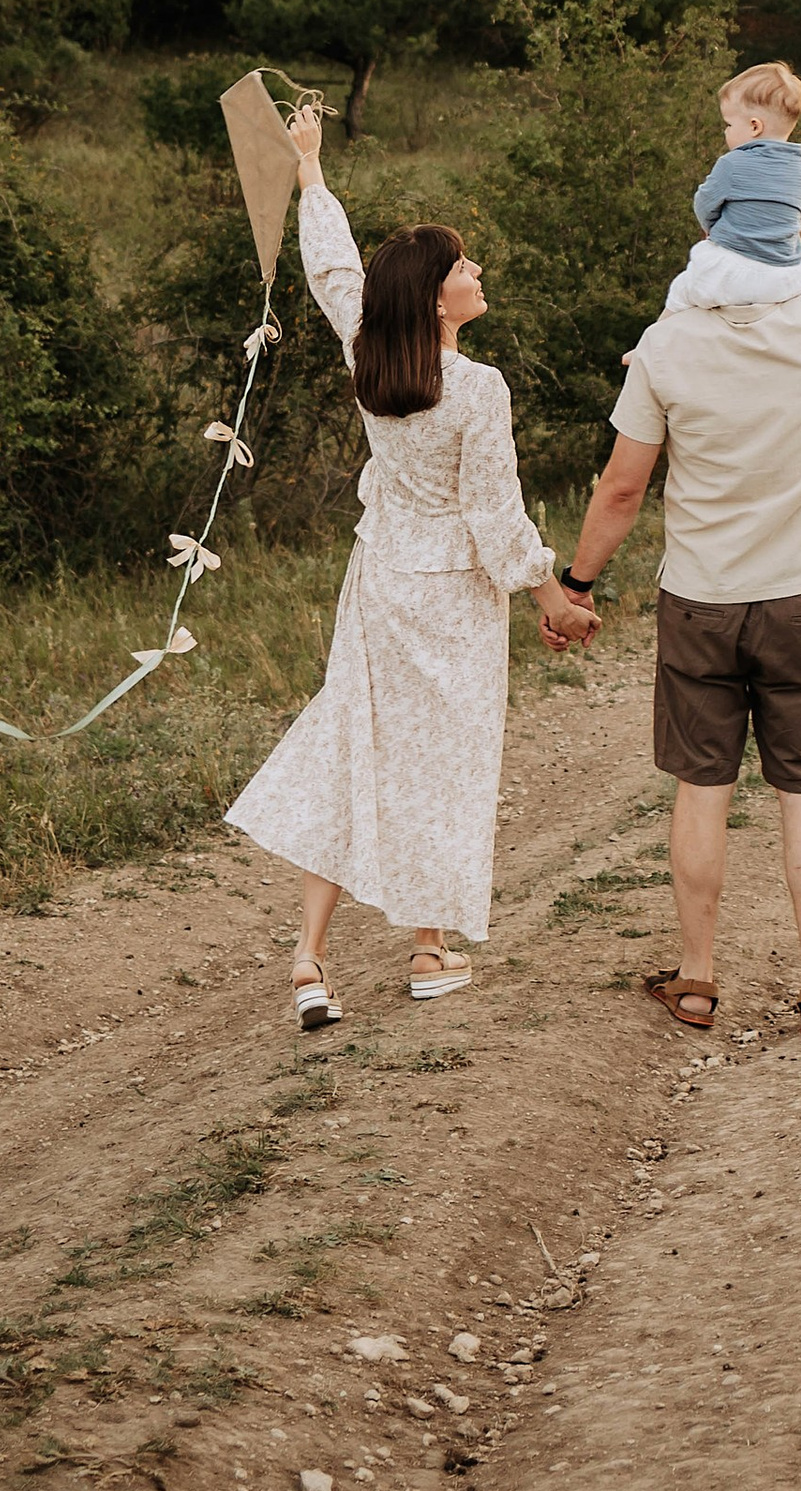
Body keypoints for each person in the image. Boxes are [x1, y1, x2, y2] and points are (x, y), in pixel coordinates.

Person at [226, 104, 595, 1026]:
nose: (475, 273)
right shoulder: (477, 389)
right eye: (463, 266)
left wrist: (313, 170)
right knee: (448, 763)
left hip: (383, 580)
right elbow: (495, 514)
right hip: (456, 597)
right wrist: (553, 593)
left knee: (359, 746)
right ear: (436, 297)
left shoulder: (370, 352)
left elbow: (334, 271)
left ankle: (309, 961)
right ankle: (429, 950)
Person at [540, 193, 801, 1039]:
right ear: (784, 234)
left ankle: (698, 981)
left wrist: (577, 586)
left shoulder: (667, 344)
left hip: (701, 598)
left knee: (701, 788)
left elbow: (623, 487)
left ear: (708, 234)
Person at [656, 61, 801, 314]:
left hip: (733, 271)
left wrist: (712, 228)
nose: (726, 131)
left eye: (729, 124)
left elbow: (704, 204)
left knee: (682, 290)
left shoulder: (732, 164)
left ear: (755, 126)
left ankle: (654, 343)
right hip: (784, 277)